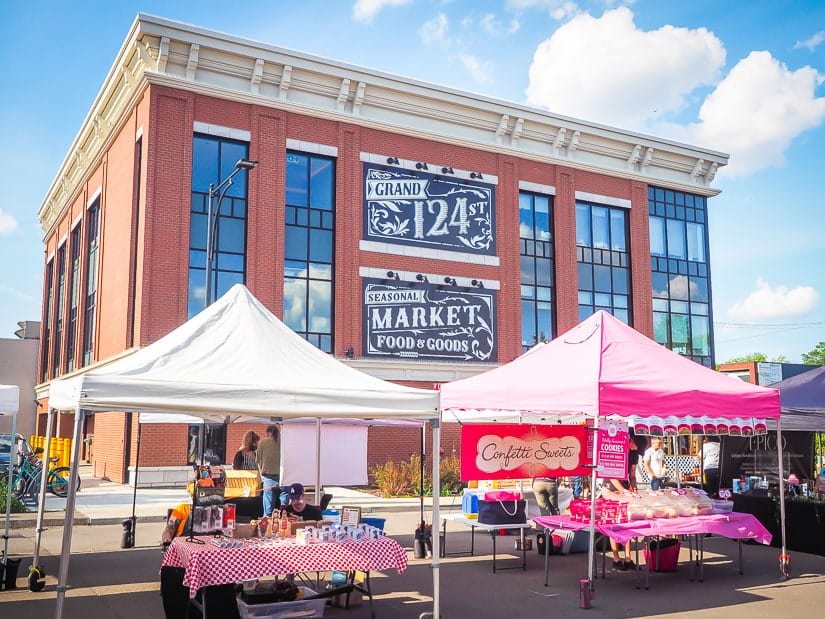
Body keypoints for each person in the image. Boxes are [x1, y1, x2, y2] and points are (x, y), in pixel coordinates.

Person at [257, 424, 282, 517]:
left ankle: (267, 527)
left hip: (268, 477)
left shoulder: (262, 442)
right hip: (284, 477)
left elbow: (258, 460)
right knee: (284, 508)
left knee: (268, 510)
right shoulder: (284, 441)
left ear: (267, 433)